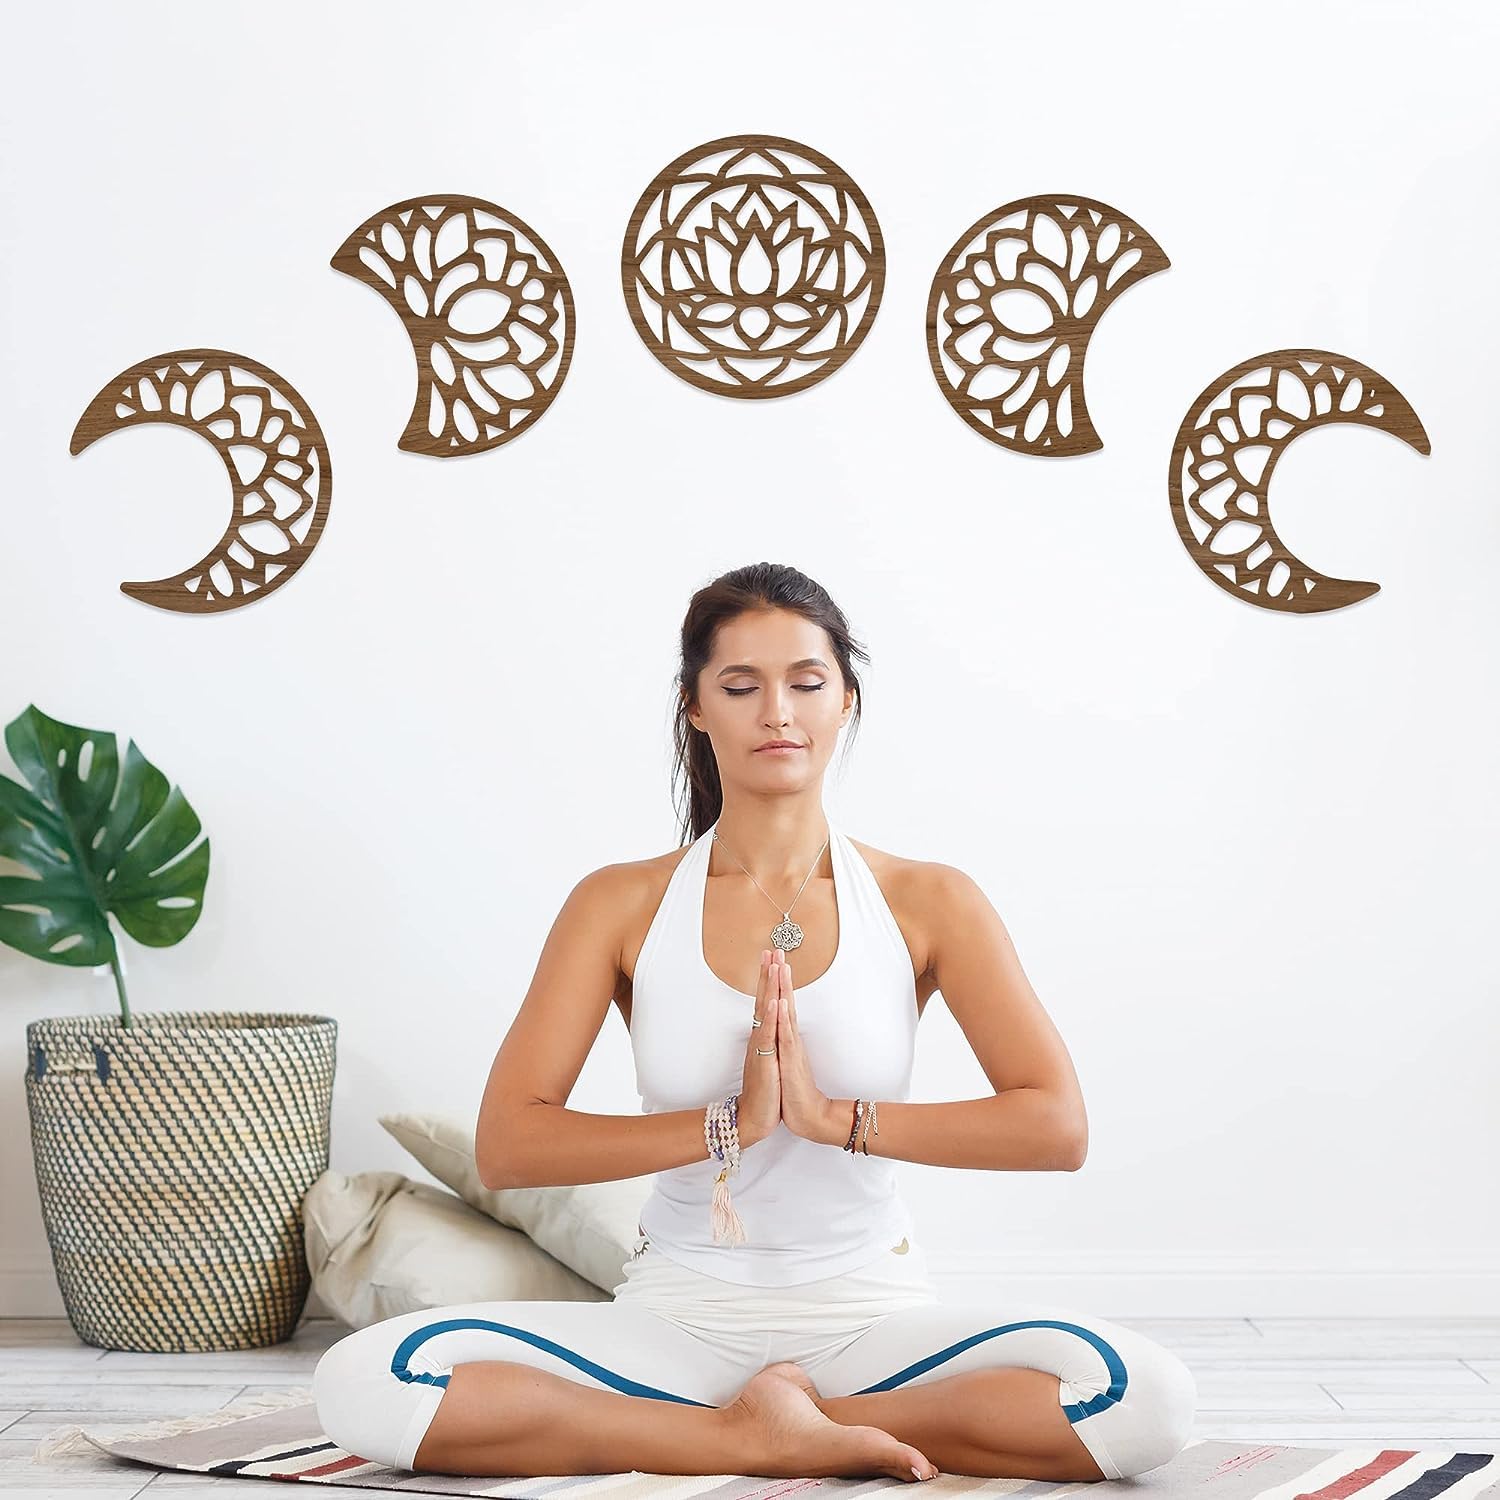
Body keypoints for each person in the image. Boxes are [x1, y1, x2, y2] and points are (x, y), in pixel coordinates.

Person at [312, 561, 1197, 1484]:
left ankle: (814, 1418)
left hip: (872, 1317)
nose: (778, 711)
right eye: (741, 686)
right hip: (678, 1322)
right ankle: (739, 1435)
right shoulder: (618, 905)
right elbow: (511, 1144)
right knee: (369, 1380)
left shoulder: (930, 900)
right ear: (695, 708)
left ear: (846, 700)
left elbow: (1055, 1125)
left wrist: (836, 1121)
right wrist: (721, 1127)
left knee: (1145, 1400)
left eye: (807, 683)